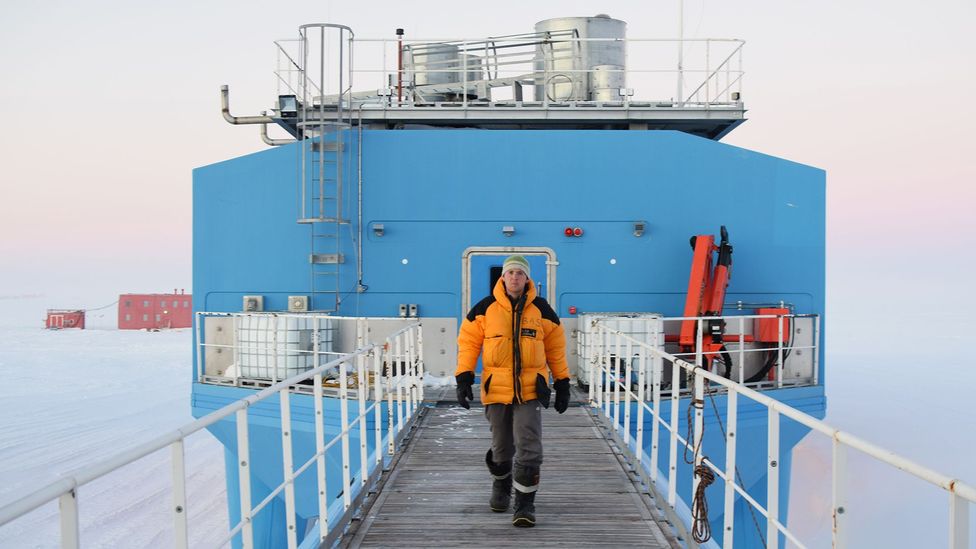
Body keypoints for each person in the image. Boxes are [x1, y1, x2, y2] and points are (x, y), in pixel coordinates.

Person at [455, 255, 571, 527]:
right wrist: (463, 377)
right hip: (496, 389)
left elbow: (556, 348)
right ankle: (500, 485)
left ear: (527, 278)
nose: (515, 277)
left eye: (520, 273)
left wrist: (563, 382)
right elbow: (468, 343)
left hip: (530, 390)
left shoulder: (542, 310)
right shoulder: (484, 309)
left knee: (529, 446)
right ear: (503, 277)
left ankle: (524, 505)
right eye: (511, 273)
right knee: (502, 447)